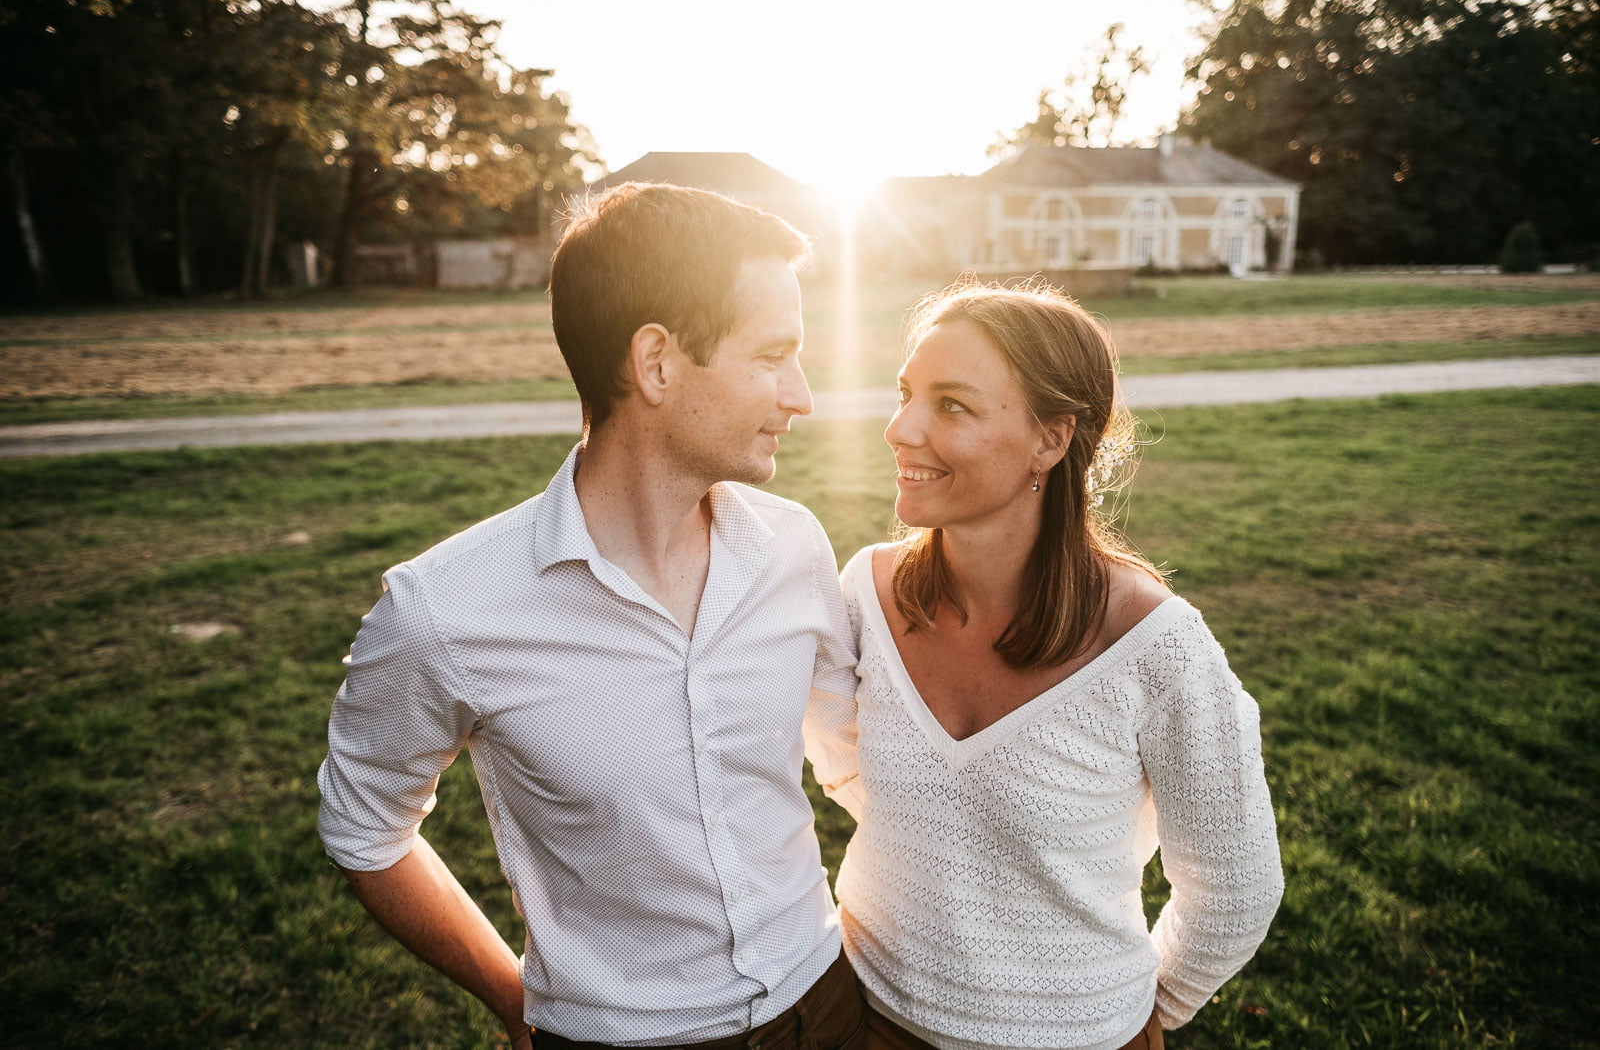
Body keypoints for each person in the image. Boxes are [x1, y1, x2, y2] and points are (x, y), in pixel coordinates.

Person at [317, 183, 865, 1050]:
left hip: (831, 1003)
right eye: (772, 355)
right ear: (656, 363)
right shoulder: (442, 613)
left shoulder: (794, 547)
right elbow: (362, 829)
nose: (801, 395)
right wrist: (510, 994)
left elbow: (852, 762)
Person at [806, 280, 1284, 1050]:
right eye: (906, 395)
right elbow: (840, 758)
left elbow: (1235, 890)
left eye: (951, 405)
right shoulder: (865, 589)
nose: (900, 428)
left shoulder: (1158, 645)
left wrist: (1129, 1016)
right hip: (868, 1016)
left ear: (1051, 440)